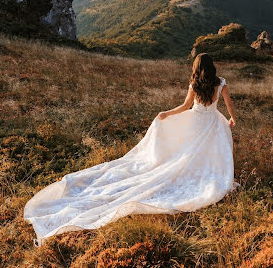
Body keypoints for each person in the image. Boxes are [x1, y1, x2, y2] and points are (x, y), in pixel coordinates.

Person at [24, 53, 238, 245]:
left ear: (196, 68)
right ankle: (205, 174)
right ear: (212, 67)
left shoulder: (194, 85)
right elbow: (228, 104)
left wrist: (167, 114)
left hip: (195, 122)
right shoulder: (221, 84)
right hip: (212, 123)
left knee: (188, 152)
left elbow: (184, 107)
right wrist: (232, 118)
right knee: (207, 153)